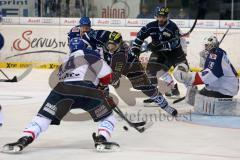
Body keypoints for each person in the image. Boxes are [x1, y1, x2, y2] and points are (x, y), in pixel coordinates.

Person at [2, 38, 120, 153]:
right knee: (108, 117)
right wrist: (102, 89)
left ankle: (25, 138)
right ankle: (101, 138)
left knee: (43, 118)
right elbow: (106, 77)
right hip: (86, 90)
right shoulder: (89, 55)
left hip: (61, 91)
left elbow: (65, 77)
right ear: (85, 47)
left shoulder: (65, 61)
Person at [77, 29, 178, 116]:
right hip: (112, 64)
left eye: (113, 46)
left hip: (132, 67)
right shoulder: (105, 38)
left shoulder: (120, 56)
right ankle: (101, 102)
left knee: (143, 87)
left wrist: (102, 86)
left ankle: (164, 105)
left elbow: (113, 77)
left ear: (119, 44)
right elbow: (89, 35)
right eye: (109, 45)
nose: (110, 48)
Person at [131, 6, 189, 104]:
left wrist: (161, 45)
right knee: (151, 70)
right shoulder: (151, 26)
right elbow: (140, 36)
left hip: (176, 53)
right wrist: (136, 48)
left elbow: (175, 43)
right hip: (160, 53)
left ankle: (193, 92)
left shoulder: (173, 27)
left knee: (182, 74)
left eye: (163, 17)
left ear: (167, 17)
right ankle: (156, 95)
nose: (161, 19)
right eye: (159, 16)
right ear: (156, 16)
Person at [173, 35, 239, 98]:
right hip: (224, 86)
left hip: (225, 89)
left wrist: (189, 78)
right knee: (196, 96)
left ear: (213, 45)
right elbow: (208, 71)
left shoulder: (215, 55)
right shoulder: (218, 53)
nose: (206, 48)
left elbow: (210, 74)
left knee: (197, 98)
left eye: (208, 46)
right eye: (206, 46)